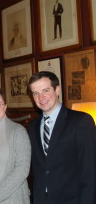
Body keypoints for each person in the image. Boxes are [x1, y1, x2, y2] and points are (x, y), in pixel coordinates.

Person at [27, 71, 96, 204]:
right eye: (35, 93)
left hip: (72, 199)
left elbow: (90, 171)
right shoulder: (33, 126)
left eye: (45, 90)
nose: (41, 97)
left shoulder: (81, 121)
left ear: (57, 90)